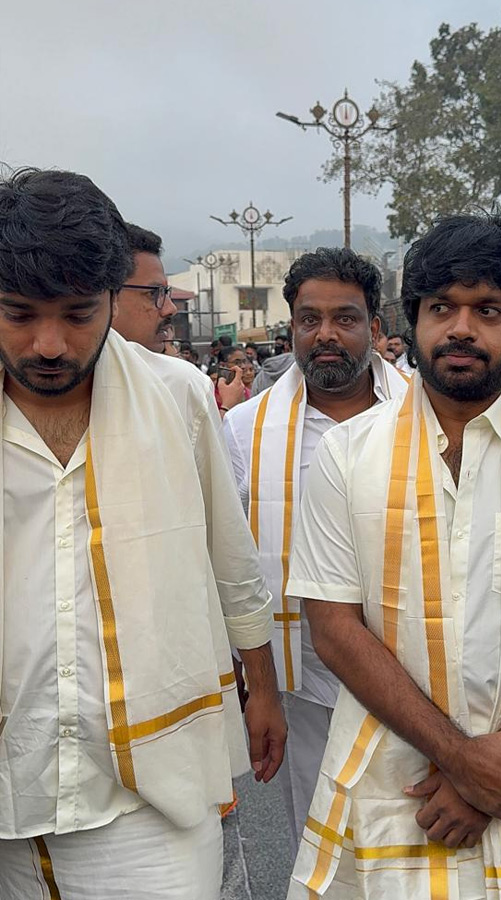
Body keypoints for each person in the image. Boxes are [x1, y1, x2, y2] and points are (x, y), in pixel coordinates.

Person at [286, 213, 501, 899]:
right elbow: (334, 628)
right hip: (387, 779)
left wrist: (494, 773)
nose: (460, 329)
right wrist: (460, 758)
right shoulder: (347, 454)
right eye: (440, 309)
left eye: (487, 310)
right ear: (414, 322)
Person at [0, 167, 286, 900]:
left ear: (109, 297)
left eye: (77, 313)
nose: (51, 344)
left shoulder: (178, 394)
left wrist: (264, 689)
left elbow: (231, 556)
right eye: (19, 313)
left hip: (148, 778)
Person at [223, 247, 408, 851]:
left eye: (346, 318)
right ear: (292, 328)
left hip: (419, 675)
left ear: (376, 328)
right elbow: (229, 564)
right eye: (310, 319)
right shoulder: (245, 428)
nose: (326, 334)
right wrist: (259, 689)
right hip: (303, 685)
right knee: (321, 845)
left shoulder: (428, 412)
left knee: (414, 848)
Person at [112, 223, 178, 353]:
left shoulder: (178, 373)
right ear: (107, 297)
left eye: (165, 292)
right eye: (153, 293)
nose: (171, 309)